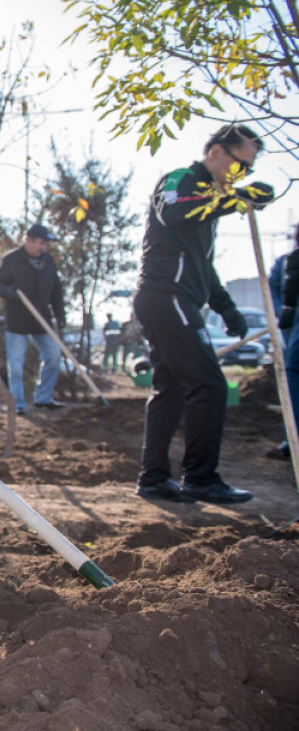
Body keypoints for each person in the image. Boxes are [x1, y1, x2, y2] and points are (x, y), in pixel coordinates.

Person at [132, 123, 276, 504]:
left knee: (171, 389)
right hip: (165, 297)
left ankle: (154, 479)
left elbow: (203, 267)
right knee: (209, 385)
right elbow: (176, 214)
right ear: (215, 153)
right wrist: (234, 200)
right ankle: (200, 478)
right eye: (239, 166)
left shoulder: (210, 202)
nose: (242, 176)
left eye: (248, 171)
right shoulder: (180, 180)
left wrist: (227, 308)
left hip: (181, 299)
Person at [0, 224, 66, 415]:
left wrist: (60, 317)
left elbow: (56, 292)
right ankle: (18, 404)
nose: (44, 248)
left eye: (45, 244)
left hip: (42, 320)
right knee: (15, 365)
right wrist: (11, 292)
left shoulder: (48, 262)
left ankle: (43, 398)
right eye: (41, 243)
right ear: (28, 241)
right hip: (18, 321)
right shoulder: (12, 260)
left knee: (54, 357)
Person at [267, 225, 299, 460]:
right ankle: (292, 439)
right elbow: (272, 293)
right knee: (293, 381)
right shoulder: (284, 264)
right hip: (293, 330)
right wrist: (282, 313)